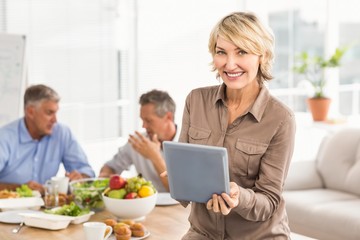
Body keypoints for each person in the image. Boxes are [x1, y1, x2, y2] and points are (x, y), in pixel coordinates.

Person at [176, 12, 296, 239]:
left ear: (263, 55)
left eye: (241, 51)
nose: (230, 64)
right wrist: (177, 177)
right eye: (221, 52)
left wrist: (239, 196)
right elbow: (184, 177)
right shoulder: (196, 101)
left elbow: (269, 201)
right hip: (204, 233)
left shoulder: (281, 119)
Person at [0, 84, 95, 193]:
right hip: (9, 206)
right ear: (30, 112)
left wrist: (80, 177)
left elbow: (86, 170)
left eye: (56, 113)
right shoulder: (4, 137)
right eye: (49, 113)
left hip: (48, 206)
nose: (55, 120)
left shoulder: (62, 133)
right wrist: (18, 188)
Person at [99, 89, 177, 193]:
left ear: (168, 117)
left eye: (149, 121)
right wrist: (106, 175)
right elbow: (111, 166)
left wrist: (155, 157)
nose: (143, 126)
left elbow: (179, 192)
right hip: (143, 206)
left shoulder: (188, 144)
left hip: (178, 208)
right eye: (142, 120)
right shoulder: (139, 143)